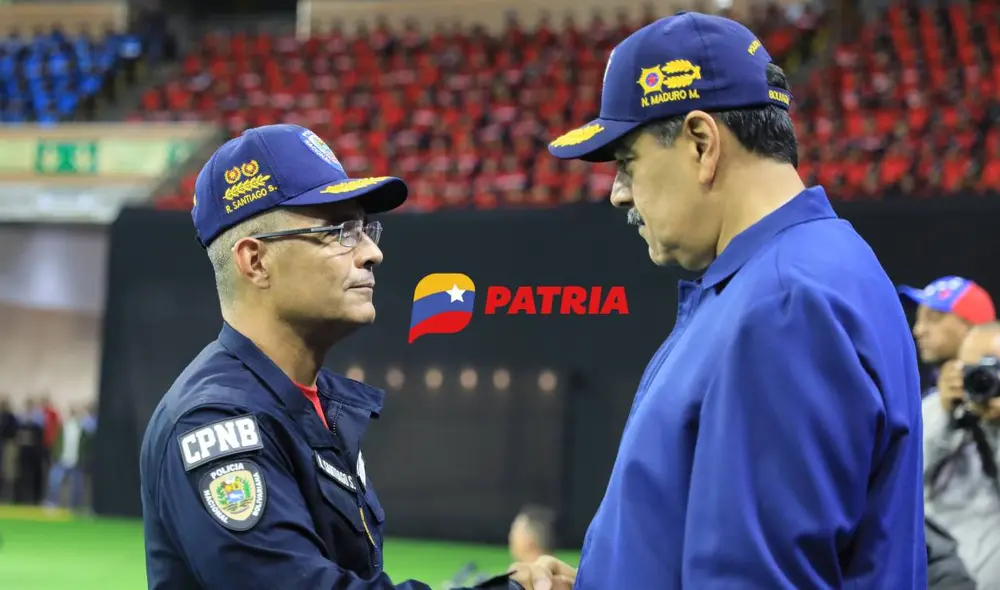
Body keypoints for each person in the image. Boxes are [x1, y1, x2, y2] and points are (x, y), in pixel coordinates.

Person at [528, 11, 926, 588]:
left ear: (700, 143)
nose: (617, 193)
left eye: (626, 163)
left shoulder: (785, 302)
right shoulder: (798, 272)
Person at [140, 124, 524, 590]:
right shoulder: (215, 422)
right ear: (255, 261)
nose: (372, 253)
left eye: (365, 229)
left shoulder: (305, 403)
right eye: (339, 231)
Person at [924, 322, 1000, 587]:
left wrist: (994, 429)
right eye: (972, 369)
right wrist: (943, 415)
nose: (984, 379)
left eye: (995, 369)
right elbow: (901, 477)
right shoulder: (937, 409)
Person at [898, 276, 996, 397]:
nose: (918, 330)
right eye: (919, 319)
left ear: (971, 326)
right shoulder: (926, 394)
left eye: (933, 318)